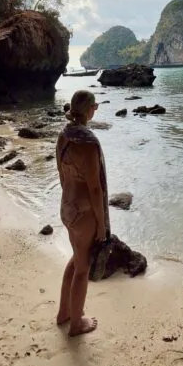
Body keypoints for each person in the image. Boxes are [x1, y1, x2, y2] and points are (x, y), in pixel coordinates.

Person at [55, 90, 109, 336]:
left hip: (67, 206)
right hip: (85, 213)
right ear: (89, 110)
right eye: (94, 106)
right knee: (83, 268)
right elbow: (95, 188)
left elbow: (60, 173)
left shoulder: (63, 136)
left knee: (77, 258)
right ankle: (77, 323)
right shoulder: (87, 144)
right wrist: (100, 223)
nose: (95, 110)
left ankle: (64, 312)